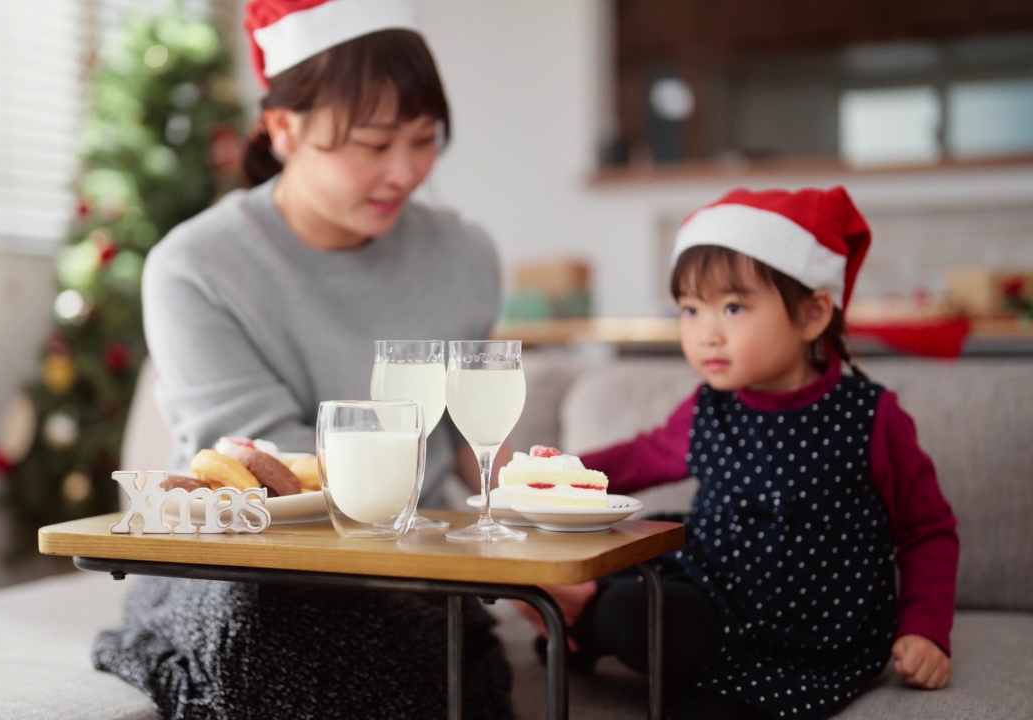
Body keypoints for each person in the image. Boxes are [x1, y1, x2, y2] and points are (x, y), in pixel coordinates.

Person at [92, 2, 513, 718]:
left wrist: (540, 516)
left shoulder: (465, 255)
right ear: (283, 129)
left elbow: (471, 444)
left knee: (458, 663)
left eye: (423, 139)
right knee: (278, 634)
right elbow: (271, 468)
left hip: (417, 569)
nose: (407, 172)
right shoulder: (195, 268)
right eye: (374, 144)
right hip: (254, 561)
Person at [520, 187, 959, 720]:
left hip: (818, 639)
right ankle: (584, 621)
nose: (706, 333)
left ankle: (582, 623)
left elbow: (927, 530)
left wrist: (924, 630)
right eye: (689, 309)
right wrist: (552, 477)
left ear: (813, 314)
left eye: (732, 307)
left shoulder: (870, 417)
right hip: (712, 601)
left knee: (687, 678)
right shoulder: (710, 408)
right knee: (658, 614)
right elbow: (636, 459)